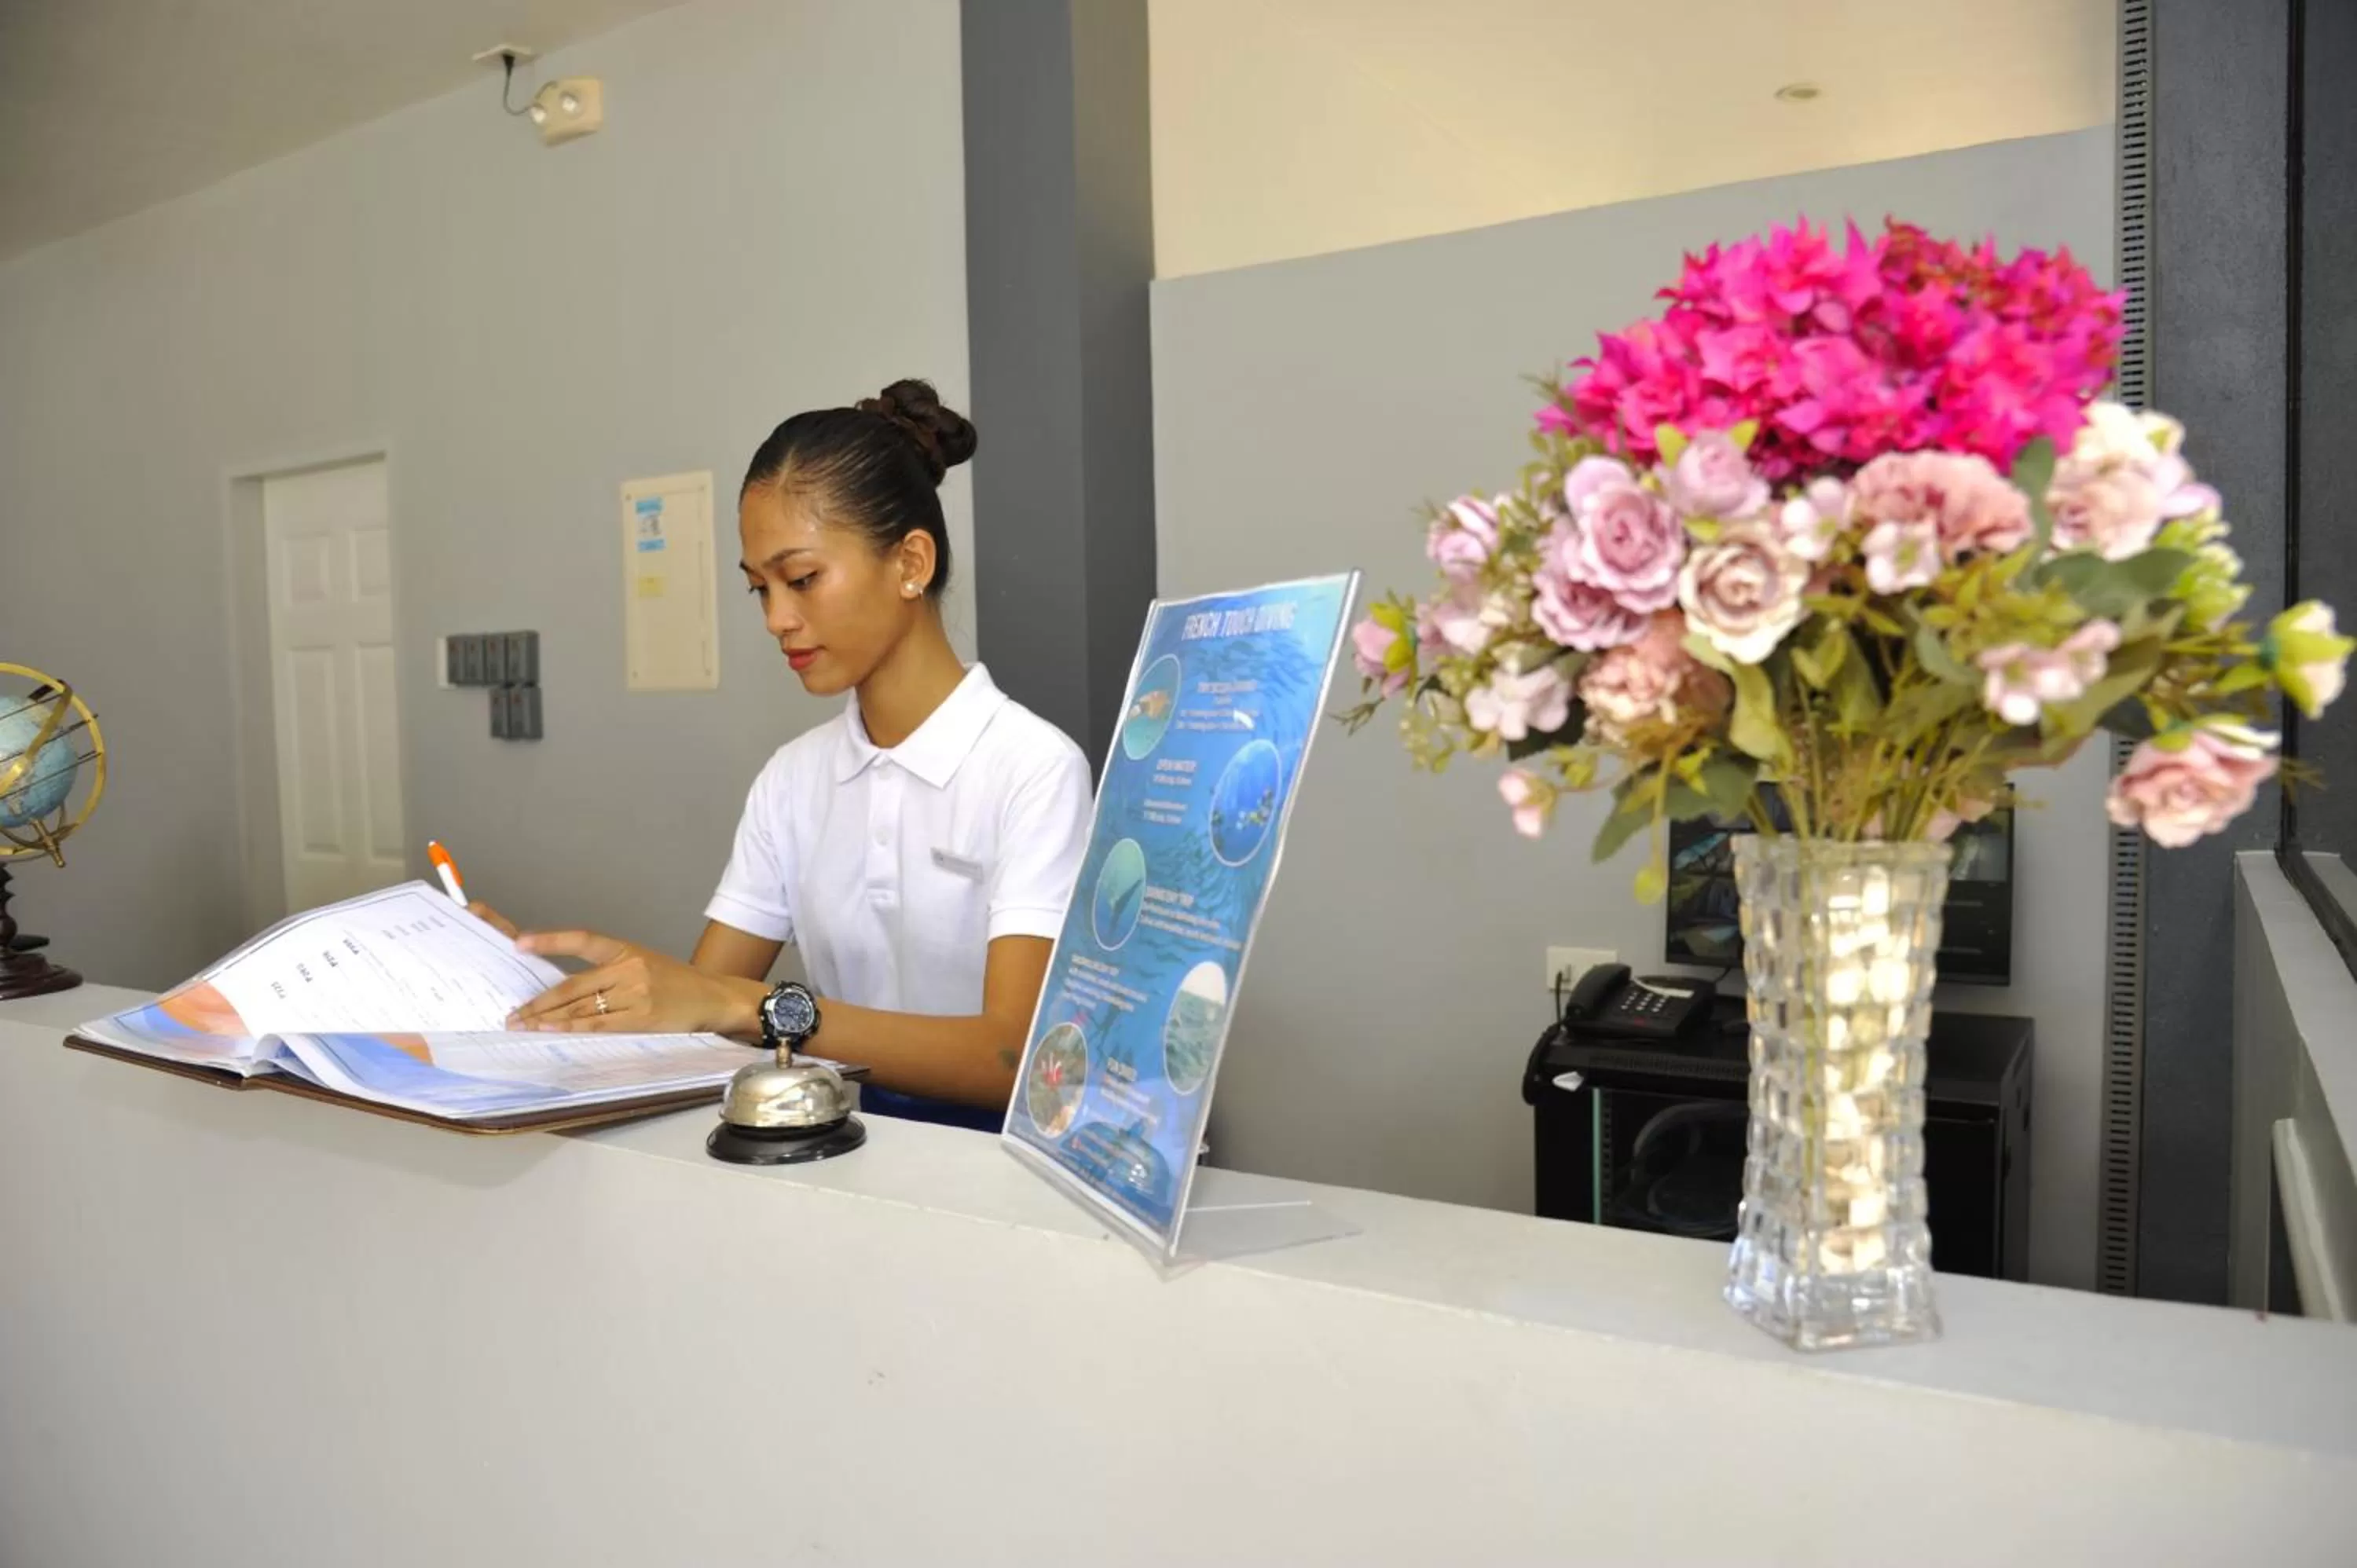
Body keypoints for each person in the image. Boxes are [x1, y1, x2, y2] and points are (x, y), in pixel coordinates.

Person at [483, 379, 1092, 1127]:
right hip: (860, 1155)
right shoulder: (794, 781)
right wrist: (519, 978)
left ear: (910, 562)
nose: (777, 618)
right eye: (758, 590)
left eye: (802, 579)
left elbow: (1012, 1059)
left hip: (1011, 1172)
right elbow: (700, 1008)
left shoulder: (1032, 769)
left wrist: (756, 1007)